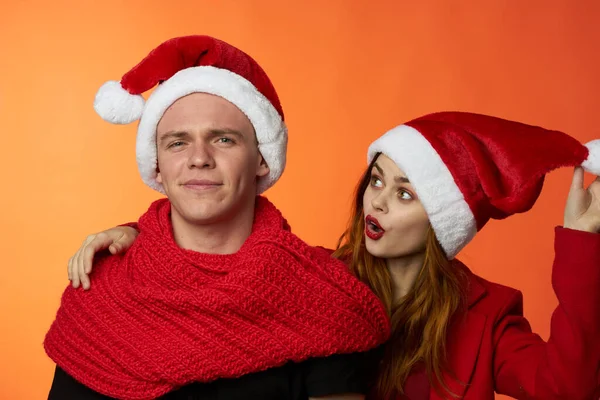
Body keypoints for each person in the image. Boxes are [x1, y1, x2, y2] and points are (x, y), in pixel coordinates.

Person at [77, 111, 600, 399]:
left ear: (444, 218)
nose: (376, 201)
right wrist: (135, 235)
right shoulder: (314, 274)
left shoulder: (486, 318)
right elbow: (222, 258)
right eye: (377, 180)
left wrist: (582, 242)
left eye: (404, 193)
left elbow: (567, 388)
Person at [44, 35, 390, 400]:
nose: (199, 158)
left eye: (223, 140)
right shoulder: (101, 292)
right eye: (178, 142)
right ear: (157, 166)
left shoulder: (323, 297)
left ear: (261, 159)